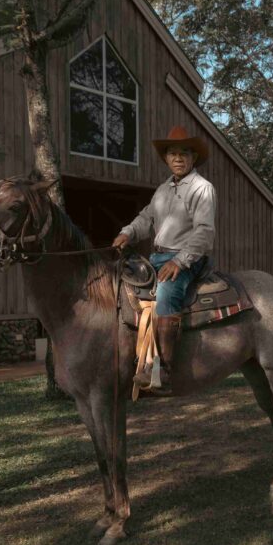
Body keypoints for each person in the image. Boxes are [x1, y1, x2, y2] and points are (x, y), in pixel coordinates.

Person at [112, 125, 216, 395]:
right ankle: (130, 358)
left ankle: (163, 370)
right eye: (172, 153)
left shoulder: (202, 188)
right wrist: (127, 232)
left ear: (193, 158)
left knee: (168, 291)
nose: (178, 158)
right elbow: (146, 219)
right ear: (166, 158)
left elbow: (204, 232)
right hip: (157, 256)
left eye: (184, 153)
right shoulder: (162, 189)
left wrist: (180, 262)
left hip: (189, 258)